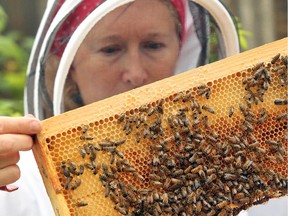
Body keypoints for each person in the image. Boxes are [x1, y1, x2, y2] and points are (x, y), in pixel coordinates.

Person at [0, 0, 286, 215]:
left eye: (153, 45)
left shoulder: (241, 155)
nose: (135, 73)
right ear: (71, 66)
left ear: (180, 49)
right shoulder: (16, 177)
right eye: (110, 49)